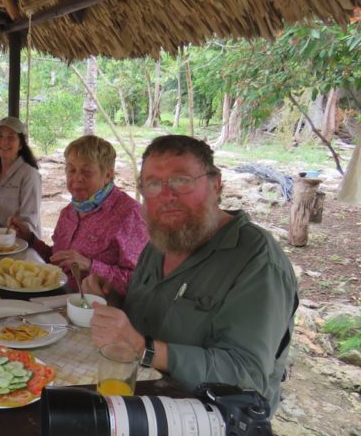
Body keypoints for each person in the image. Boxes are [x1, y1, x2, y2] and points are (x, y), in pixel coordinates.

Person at [83, 135, 298, 415]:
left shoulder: (258, 261)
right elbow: (144, 322)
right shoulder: (161, 242)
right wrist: (112, 299)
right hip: (144, 395)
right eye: (153, 184)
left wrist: (146, 349)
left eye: (181, 180)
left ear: (215, 184)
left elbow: (247, 376)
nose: (167, 196)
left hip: (213, 416)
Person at [8, 135, 148, 294]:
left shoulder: (130, 215)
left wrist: (90, 265)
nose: (77, 178)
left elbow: (140, 282)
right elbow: (57, 260)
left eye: (87, 172)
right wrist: (29, 239)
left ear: (108, 175)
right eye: (71, 170)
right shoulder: (69, 212)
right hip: (55, 296)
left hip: (93, 306)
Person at [0, 116, 42, 233]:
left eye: (11, 137)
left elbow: (29, 221)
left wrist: (15, 228)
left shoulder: (29, 175)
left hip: (15, 240)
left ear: (21, 144)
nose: (4, 142)